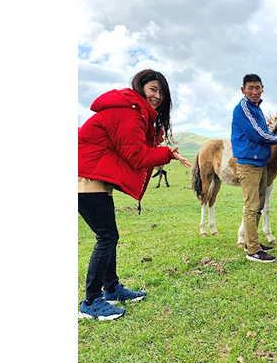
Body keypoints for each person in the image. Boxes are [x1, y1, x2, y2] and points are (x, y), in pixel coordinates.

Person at [78, 69, 192, 320]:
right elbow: (137, 156)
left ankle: (112, 289)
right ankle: (91, 302)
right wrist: (168, 154)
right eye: (153, 89)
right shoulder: (128, 112)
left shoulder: (133, 111)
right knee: (107, 236)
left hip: (93, 177)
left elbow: (132, 146)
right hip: (85, 178)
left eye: (161, 92)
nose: (157, 96)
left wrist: (154, 138)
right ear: (140, 87)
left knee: (108, 235)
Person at [231, 73, 277, 263]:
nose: (254, 91)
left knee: (260, 204)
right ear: (243, 90)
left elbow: (263, 131)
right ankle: (253, 251)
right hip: (249, 163)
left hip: (259, 162)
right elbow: (259, 134)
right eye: (250, 88)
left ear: (262, 88)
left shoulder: (256, 109)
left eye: (257, 88)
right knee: (251, 206)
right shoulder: (243, 109)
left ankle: (252, 242)